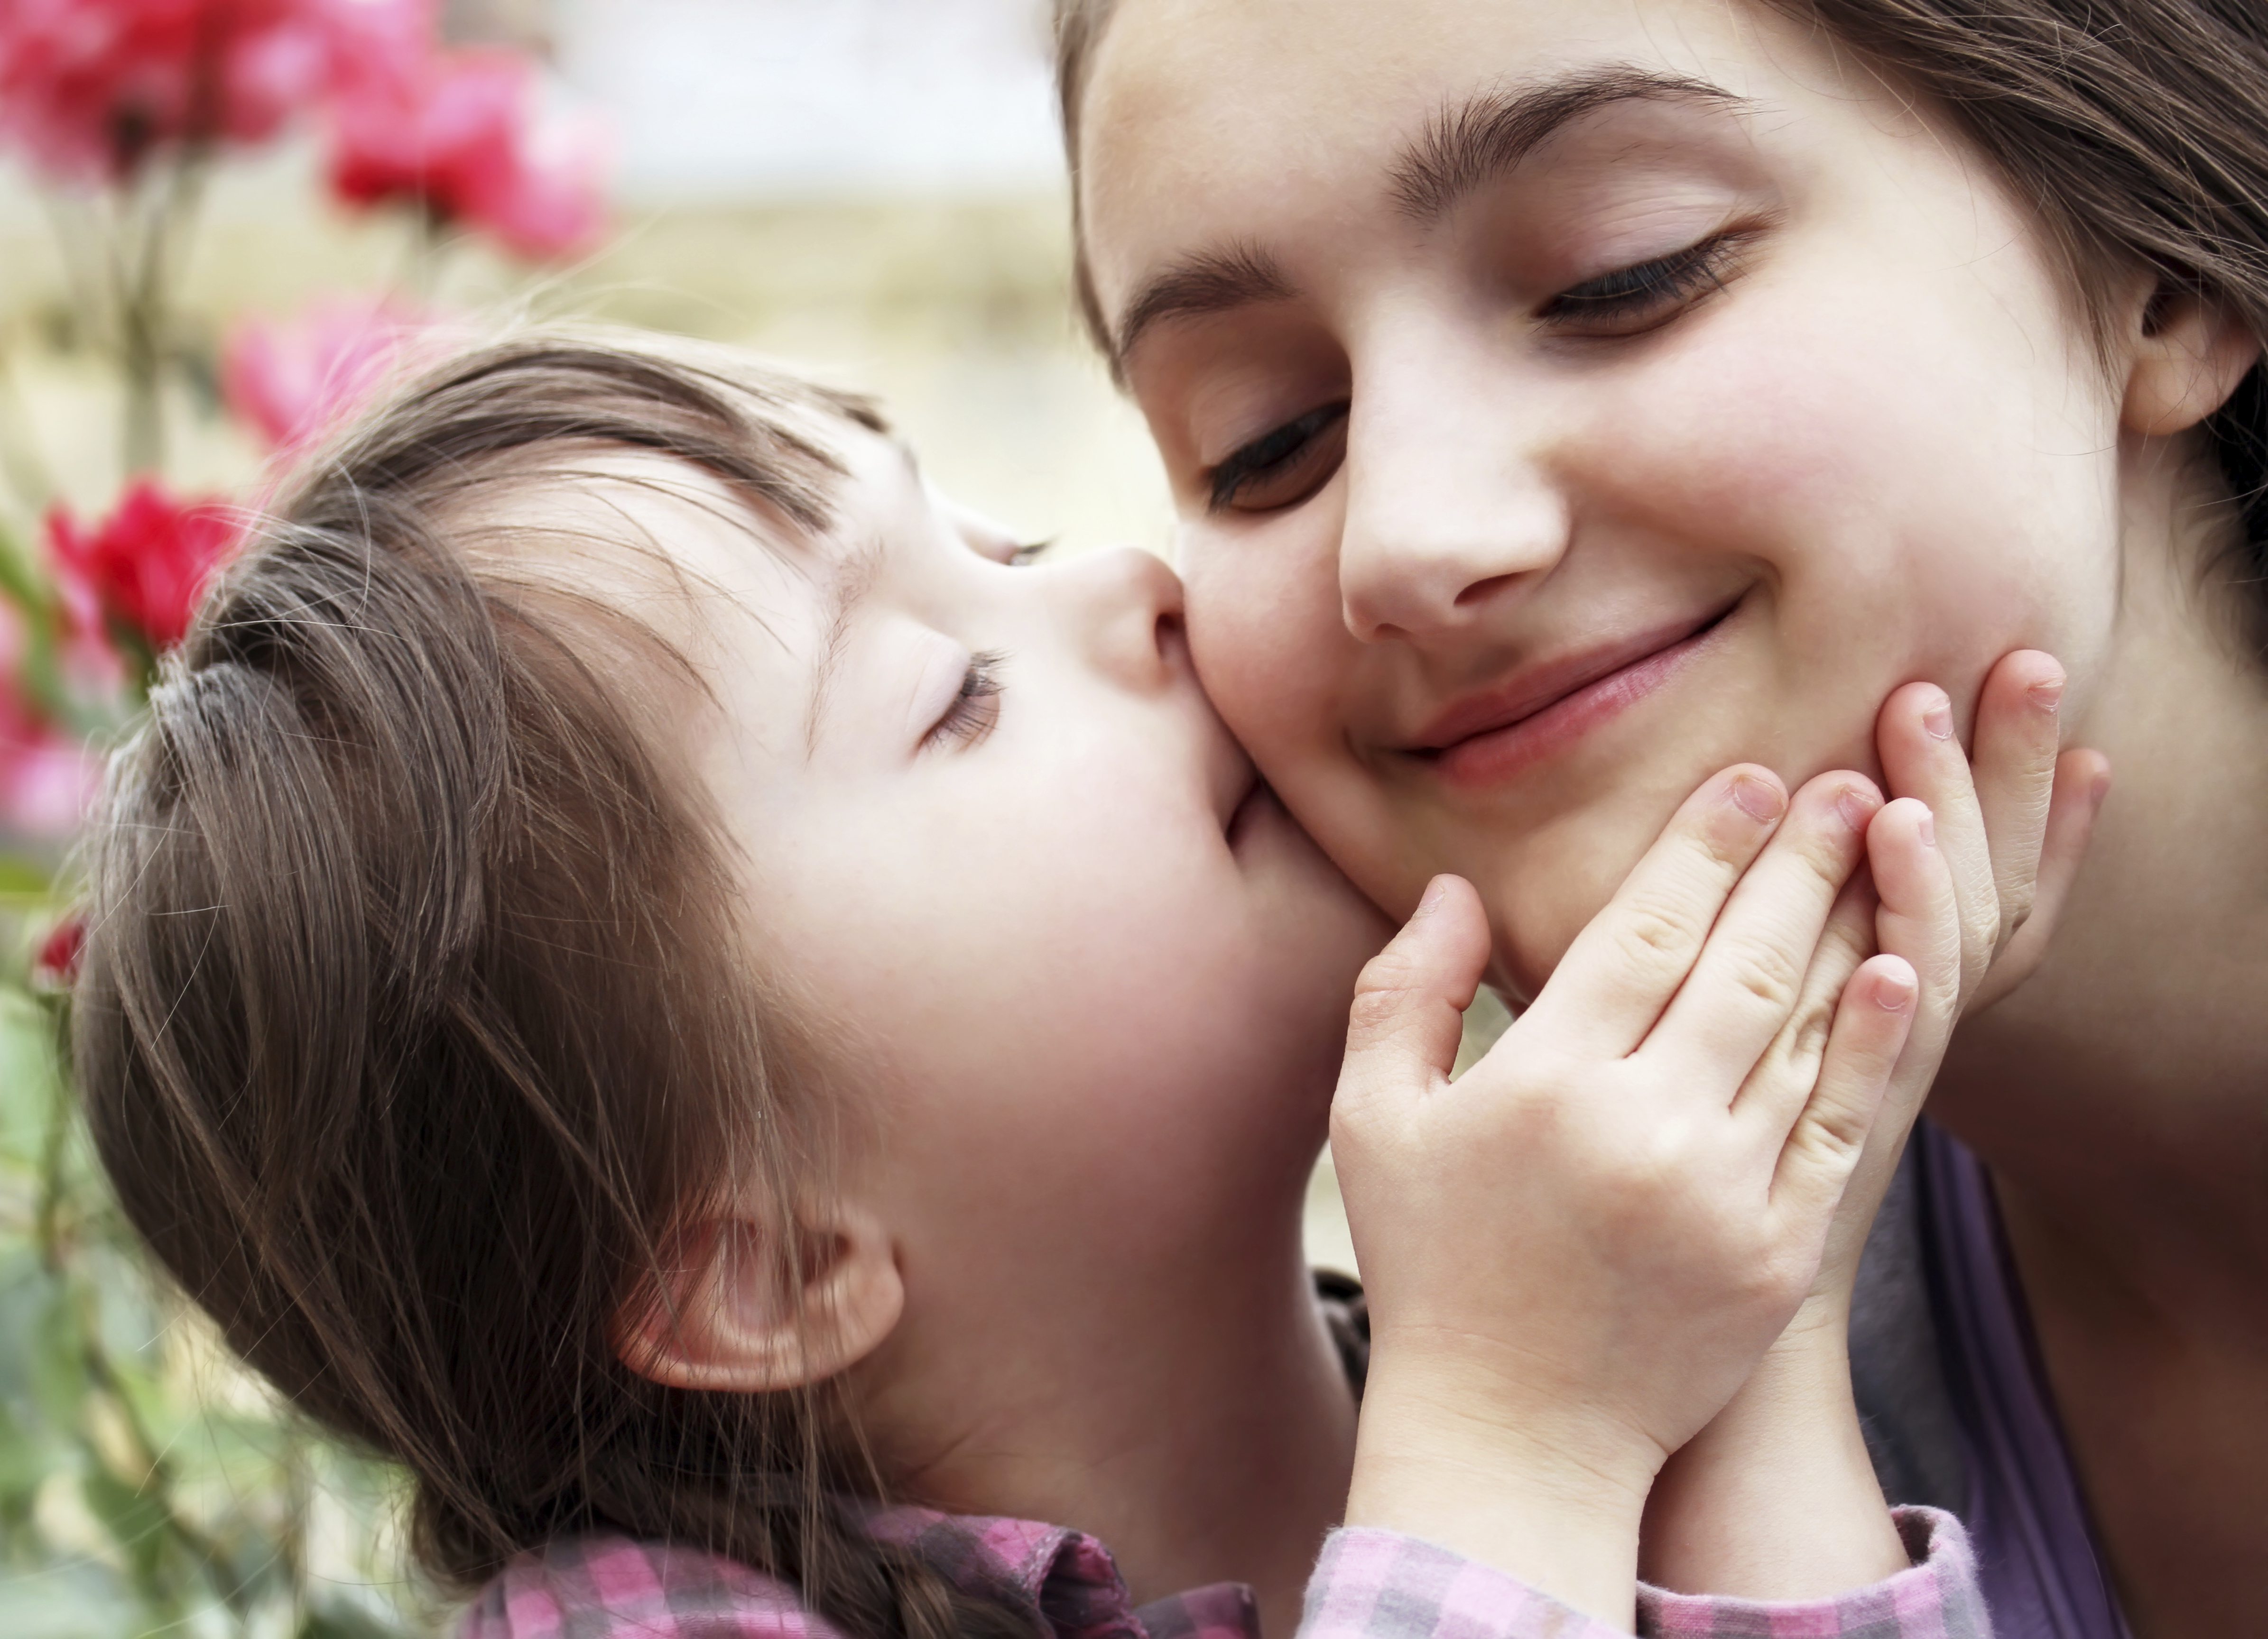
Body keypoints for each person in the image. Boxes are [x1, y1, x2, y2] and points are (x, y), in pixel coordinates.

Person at [69, 331, 2030, 1639]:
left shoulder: (1537, 1384)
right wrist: (1512, 1441)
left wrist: (1755, 1330)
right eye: (956, 696)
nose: (1131, 583)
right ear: (761, 1269)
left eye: (998, 541)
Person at [1055, 0, 2262, 1632]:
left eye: (1623, 274)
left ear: (2165, 277)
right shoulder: (1578, 1385)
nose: (1409, 538)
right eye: (1267, 439)